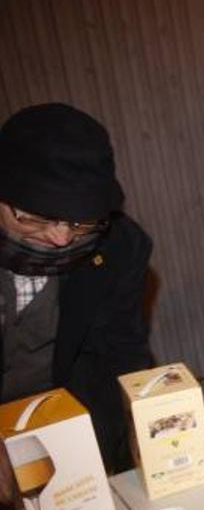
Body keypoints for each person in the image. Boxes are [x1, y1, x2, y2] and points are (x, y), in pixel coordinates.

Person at [0, 103, 152, 477]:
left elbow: (121, 351)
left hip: (71, 410)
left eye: (82, 221)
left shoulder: (119, 246)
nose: (61, 237)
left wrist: (139, 426)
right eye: (37, 217)